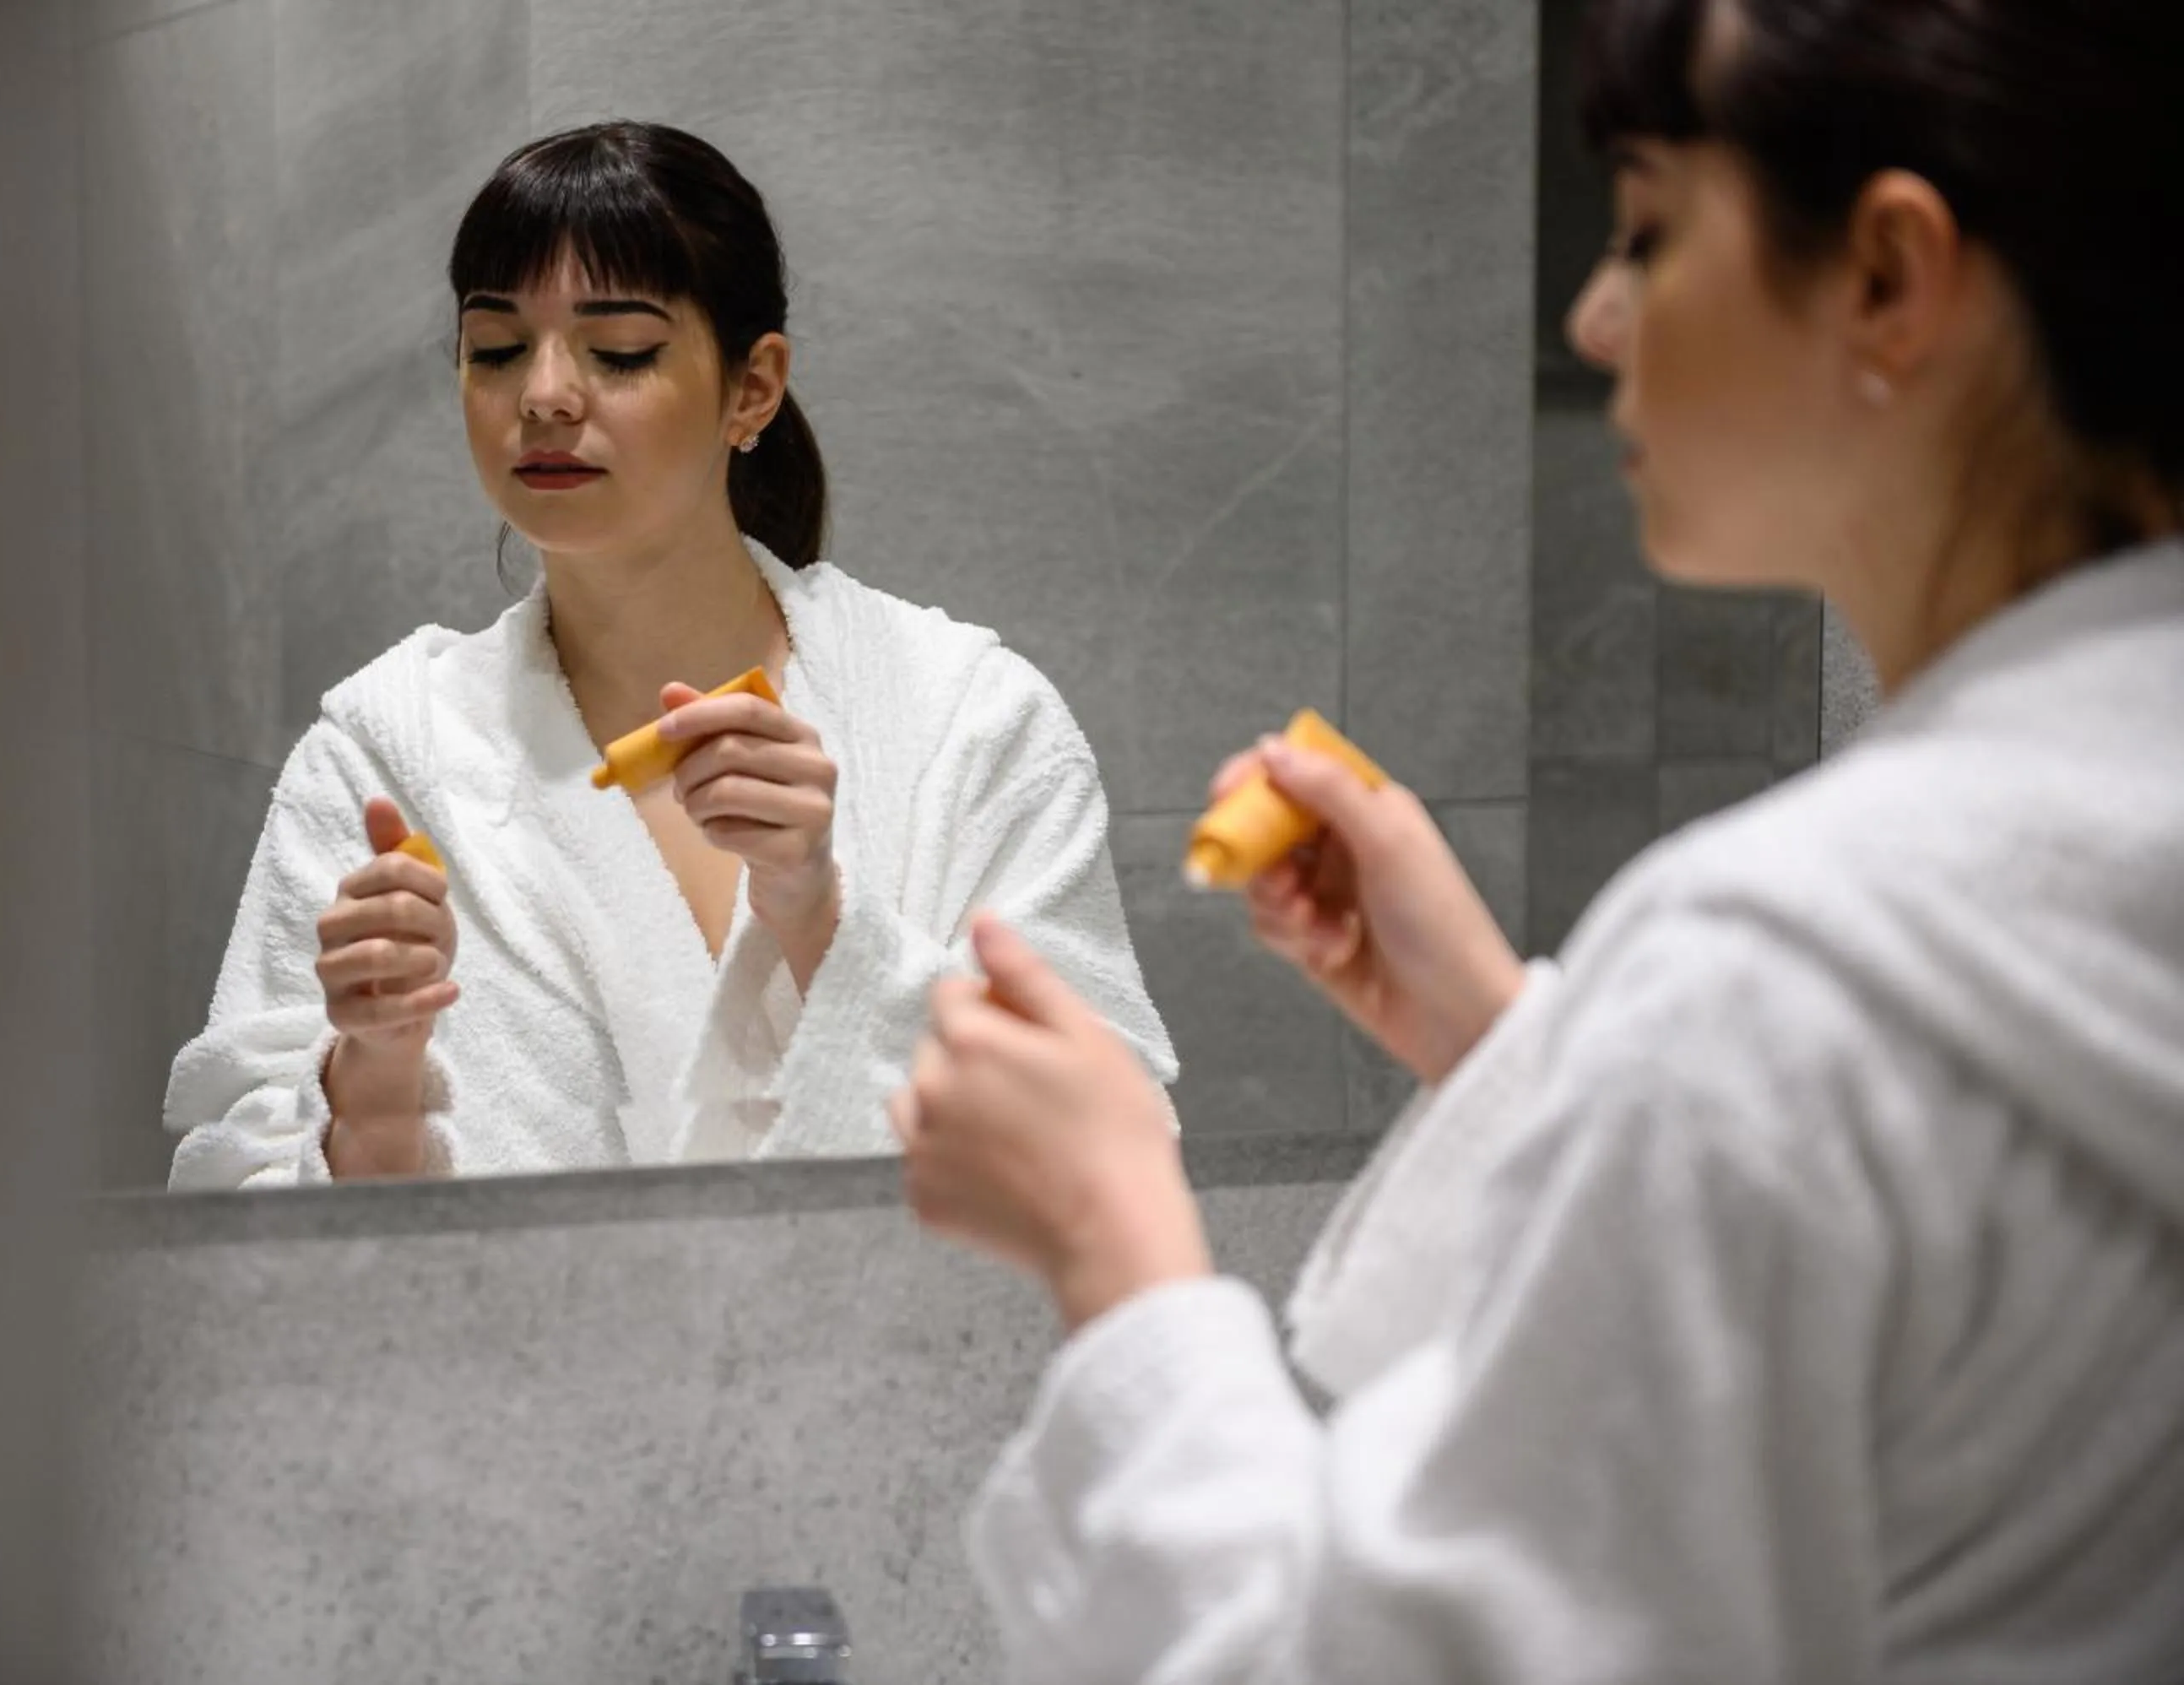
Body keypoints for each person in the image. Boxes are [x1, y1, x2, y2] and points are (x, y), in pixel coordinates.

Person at [892, 1, 2184, 1677]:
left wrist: (1115, 1247)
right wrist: (1508, 1042)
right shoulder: (2051, 881)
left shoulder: (1781, 971)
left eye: (1648, 231)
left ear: (1885, 274)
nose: (1590, 317)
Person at [165, 122, 1172, 1187]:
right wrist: (372, 1078)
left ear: (753, 387)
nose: (544, 395)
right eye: (497, 348)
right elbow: (241, 1239)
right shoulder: (383, 758)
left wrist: (821, 918)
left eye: (621, 352)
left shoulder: (968, 721)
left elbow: (1117, 1153)